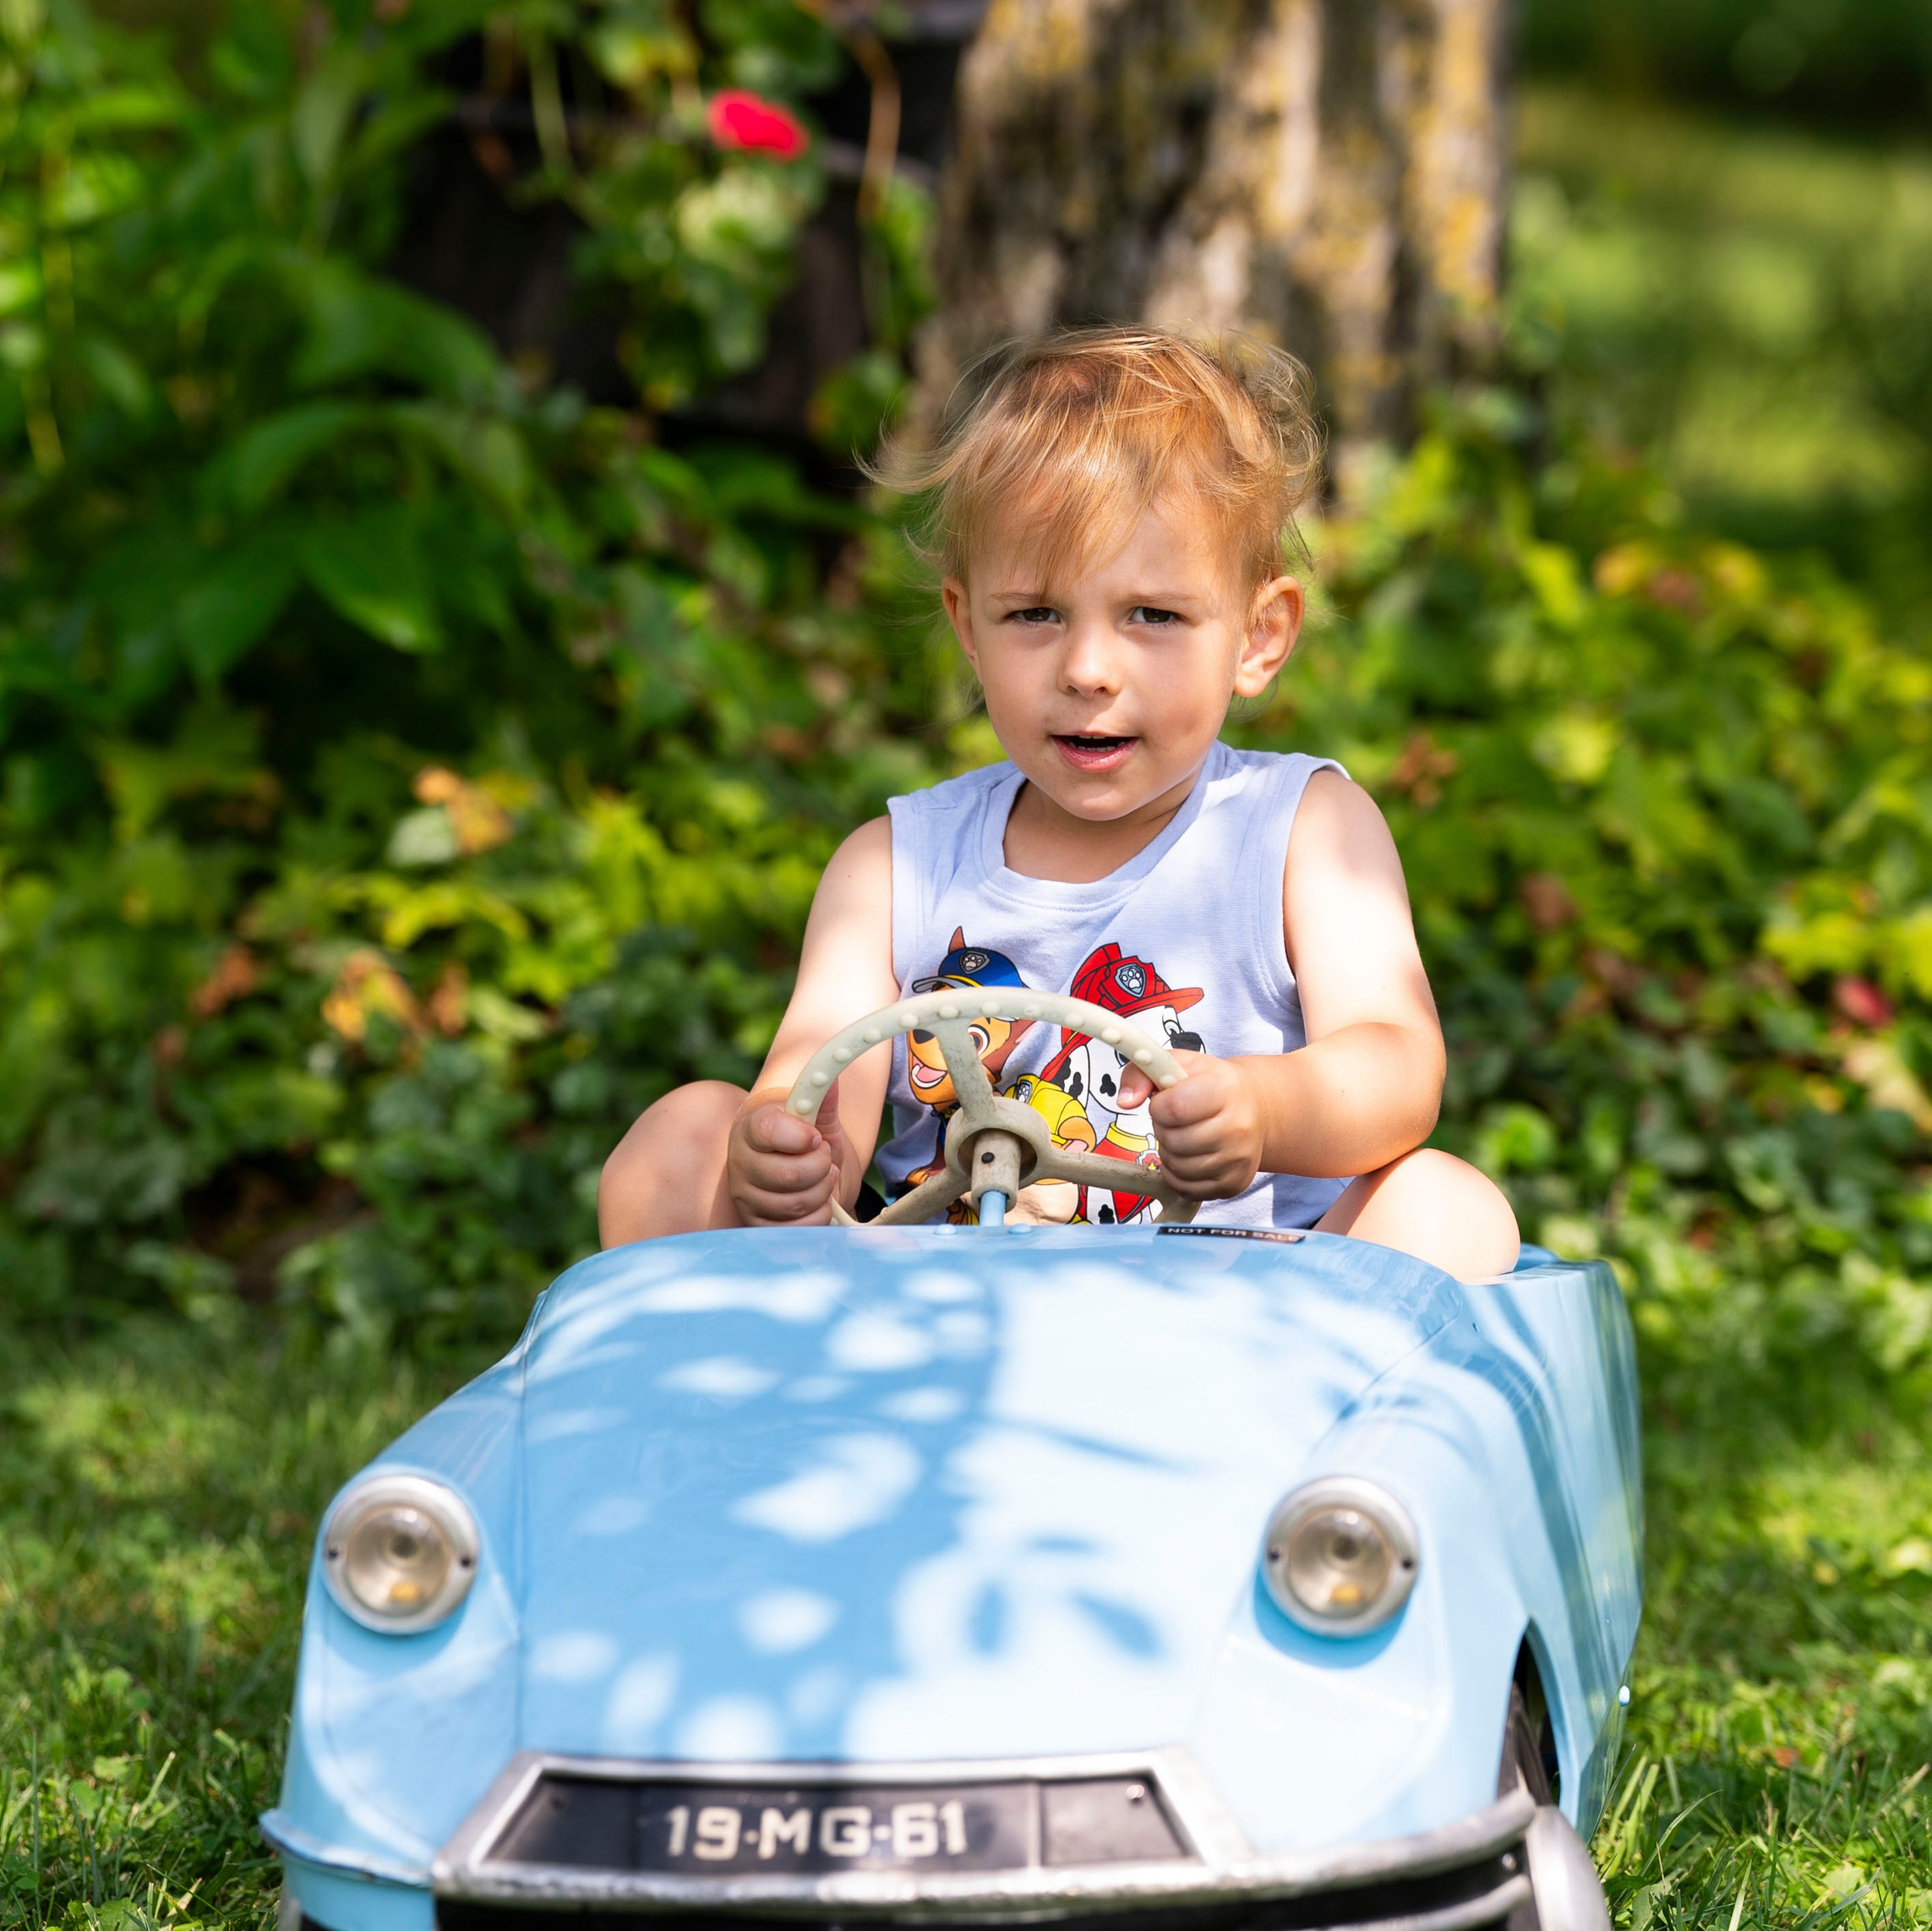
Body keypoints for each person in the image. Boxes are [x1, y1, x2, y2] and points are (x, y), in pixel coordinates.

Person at [598, 326, 1519, 1280]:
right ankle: (734, 1413)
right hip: (927, 1314)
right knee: (683, 1138)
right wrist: (789, 1145)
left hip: (1225, 1322)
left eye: (1151, 616)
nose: (1087, 670)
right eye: (1035, 613)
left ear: (1258, 634)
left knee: (1447, 1206)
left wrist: (1264, 1107)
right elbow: (818, 1066)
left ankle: (1297, 1421)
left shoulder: (1301, 832)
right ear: (968, 626)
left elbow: (1398, 1065)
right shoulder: (895, 864)